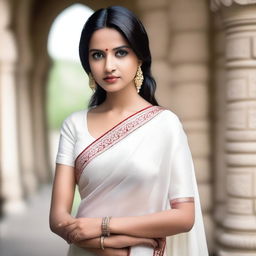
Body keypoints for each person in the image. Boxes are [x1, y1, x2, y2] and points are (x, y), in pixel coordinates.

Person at [49, 5, 209, 256]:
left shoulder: (165, 125)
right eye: (98, 55)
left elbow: (184, 216)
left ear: (140, 58)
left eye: (120, 53)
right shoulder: (74, 125)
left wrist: (102, 226)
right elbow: (58, 219)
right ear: (88, 63)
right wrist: (109, 245)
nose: (109, 66)